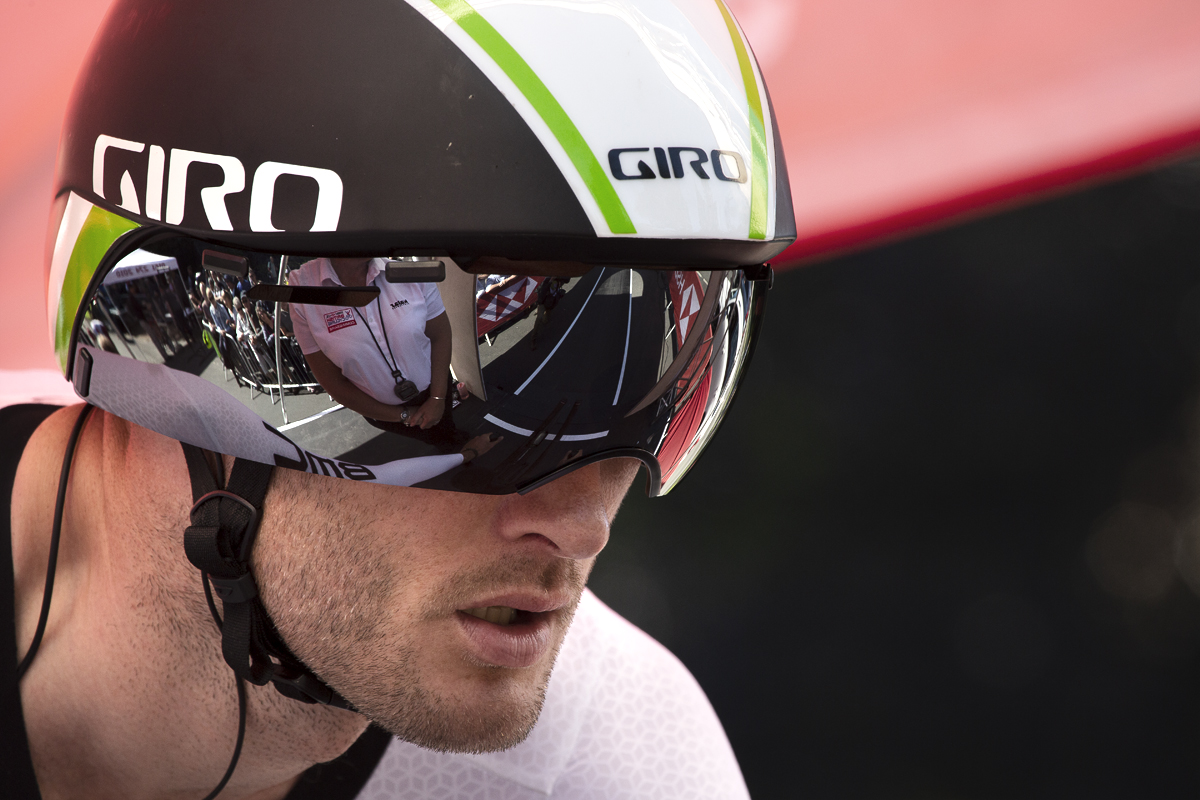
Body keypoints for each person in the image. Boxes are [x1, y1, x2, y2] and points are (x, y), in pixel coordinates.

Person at [8, 0, 795, 798]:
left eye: (669, 391)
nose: (582, 526)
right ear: (217, 331)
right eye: (453, 388)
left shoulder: (614, 766)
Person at [287, 257, 464, 449]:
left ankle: (455, 446)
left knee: (447, 431)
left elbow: (440, 335)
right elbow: (333, 382)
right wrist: (403, 416)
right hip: (383, 413)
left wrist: (437, 398)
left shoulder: (405, 269)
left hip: (435, 387)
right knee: (434, 439)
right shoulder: (303, 290)